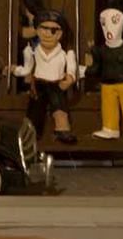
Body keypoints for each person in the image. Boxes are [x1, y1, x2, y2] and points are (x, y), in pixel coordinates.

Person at [5, 9, 77, 144]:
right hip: (38, 84)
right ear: (37, 31)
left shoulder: (65, 54)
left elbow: (72, 69)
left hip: (56, 84)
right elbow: (27, 68)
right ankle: (31, 133)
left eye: (53, 30)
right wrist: (15, 70)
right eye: (43, 29)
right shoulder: (32, 51)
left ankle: (62, 129)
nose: (47, 34)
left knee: (59, 105)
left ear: (60, 34)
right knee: (35, 108)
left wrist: (70, 78)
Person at [84, 0, 123, 142]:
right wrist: (85, 71)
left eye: (114, 22)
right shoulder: (101, 50)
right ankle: (110, 128)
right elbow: (97, 67)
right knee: (108, 106)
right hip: (107, 84)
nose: (109, 29)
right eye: (104, 24)